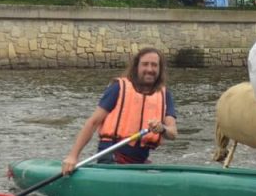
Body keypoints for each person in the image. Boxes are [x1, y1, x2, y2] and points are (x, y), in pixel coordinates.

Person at [61, 47, 177, 175]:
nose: (149, 69)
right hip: (111, 156)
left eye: (154, 65)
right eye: (145, 64)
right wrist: (73, 156)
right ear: (136, 67)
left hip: (139, 160)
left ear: (159, 69)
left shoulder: (165, 95)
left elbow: (173, 133)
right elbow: (93, 122)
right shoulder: (119, 88)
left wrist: (162, 129)